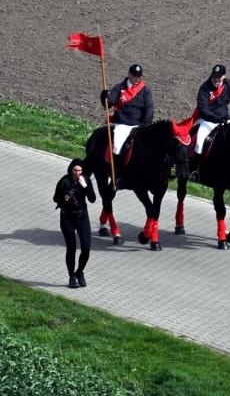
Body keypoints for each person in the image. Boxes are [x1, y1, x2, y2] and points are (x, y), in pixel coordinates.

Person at [53, 158, 96, 289]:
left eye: (80, 171)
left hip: (82, 217)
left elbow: (92, 199)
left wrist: (85, 186)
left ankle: (79, 272)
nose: (78, 173)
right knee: (71, 248)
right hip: (67, 218)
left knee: (86, 247)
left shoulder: (86, 180)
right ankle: (72, 276)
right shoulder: (64, 181)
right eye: (75, 170)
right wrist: (64, 198)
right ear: (71, 170)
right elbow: (55, 198)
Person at [100, 62, 154, 154]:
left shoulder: (145, 91)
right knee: (117, 147)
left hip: (138, 125)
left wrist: (146, 125)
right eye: (134, 76)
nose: (136, 79)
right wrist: (104, 97)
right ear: (129, 74)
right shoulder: (119, 87)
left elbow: (149, 109)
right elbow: (108, 104)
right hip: (122, 124)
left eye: (139, 77)